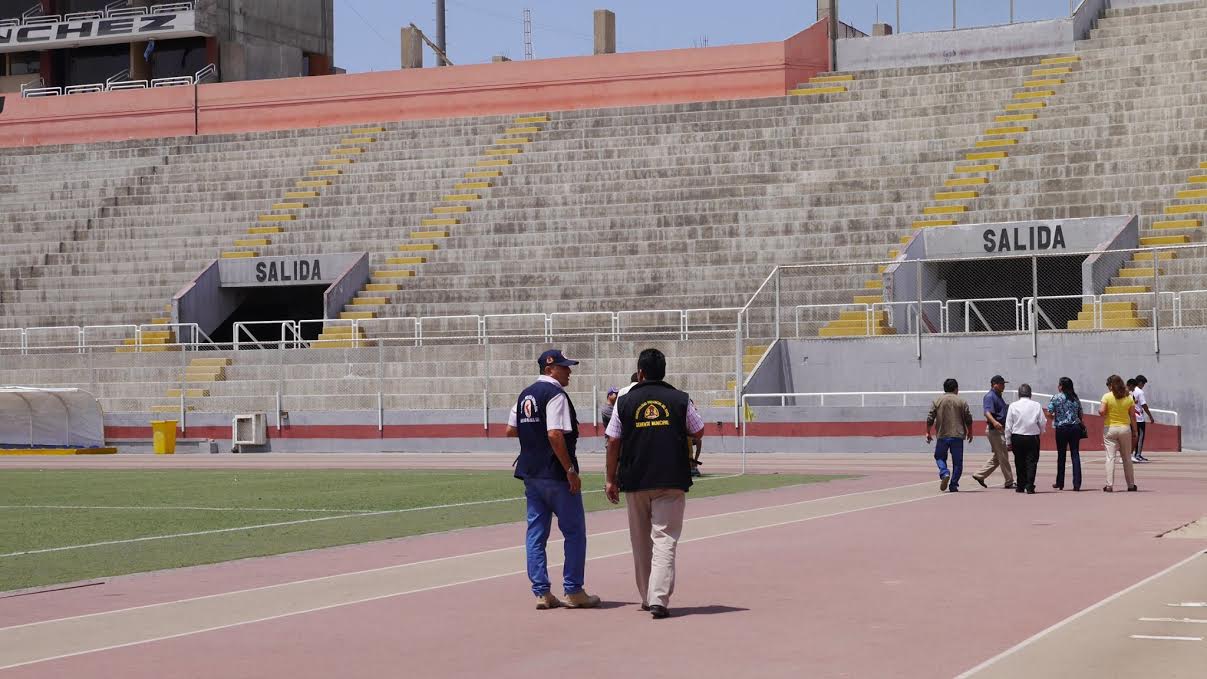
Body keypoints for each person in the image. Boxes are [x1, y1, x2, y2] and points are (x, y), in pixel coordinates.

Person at [605, 348, 704, 620]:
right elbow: (698, 429)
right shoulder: (680, 399)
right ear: (663, 372)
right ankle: (658, 598)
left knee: (640, 541)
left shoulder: (624, 401)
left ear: (640, 372)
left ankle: (647, 597)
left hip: (635, 479)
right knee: (665, 539)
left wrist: (610, 478)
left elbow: (613, 440)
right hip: (671, 478)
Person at [506, 349, 601, 610]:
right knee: (574, 532)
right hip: (556, 474)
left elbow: (510, 429)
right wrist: (570, 470)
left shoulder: (525, 394)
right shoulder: (556, 394)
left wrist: (532, 441)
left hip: (531, 473)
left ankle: (542, 592)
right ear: (550, 369)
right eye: (564, 367)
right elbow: (555, 434)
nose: (569, 371)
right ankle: (573, 590)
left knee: (536, 534)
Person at [925, 378, 974, 493]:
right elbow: (968, 418)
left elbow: (930, 418)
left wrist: (927, 431)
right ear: (956, 389)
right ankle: (953, 484)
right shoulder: (961, 401)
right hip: (957, 435)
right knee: (958, 463)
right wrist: (970, 431)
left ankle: (944, 472)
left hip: (942, 435)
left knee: (939, 457)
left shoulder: (937, 400)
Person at [972, 375, 1015, 489]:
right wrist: (995, 422)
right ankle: (1009, 481)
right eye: (1001, 384)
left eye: (1004, 384)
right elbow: (987, 412)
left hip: (999, 429)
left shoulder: (998, 396)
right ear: (994, 384)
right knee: (1003, 455)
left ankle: (979, 475)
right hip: (995, 430)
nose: (1003, 386)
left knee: (998, 456)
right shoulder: (990, 396)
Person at [1004, 383, 1046, 494]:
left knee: (1019, 461)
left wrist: (1008, 440)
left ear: (1019, 394)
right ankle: (1030, 485)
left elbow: (1008, 425)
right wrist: (1040, 432)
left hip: (1017, 436)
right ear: (1030, 394)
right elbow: (1042, 421)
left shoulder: (1013, 405)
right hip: (1032, 437)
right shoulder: (1036, 405)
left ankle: (1020, 486)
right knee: (1032, 462)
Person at [1101, 374, 1138, 493]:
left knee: (1110, 457)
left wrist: (1103, 411)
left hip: (1110, 429)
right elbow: (1133, 415)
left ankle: (1109, 485)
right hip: (1125, 429)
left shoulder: (1107, 396)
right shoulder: (1128, 397)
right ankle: (1131, 485)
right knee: (1127, 457)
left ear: (1111, 385)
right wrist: (1135, 431)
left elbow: (1101, 411)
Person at [1047, 377, 1084, 491]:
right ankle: (1076, 483)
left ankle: (1060, 482)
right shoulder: (1075, 397)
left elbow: (1049, 413)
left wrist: (1055, 417)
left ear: (1061, 386)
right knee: (1075, 454)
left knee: (1061, 455)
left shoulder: (1056, 397)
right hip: (1075, 428)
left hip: (1061, 428)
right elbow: (1080, 414)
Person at [1131, 375, 1154, 463]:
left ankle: (1131, 455)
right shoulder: (1140, 392)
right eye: (1143, 384)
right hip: (1139, 418)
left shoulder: (1130, 391)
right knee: (1140, 436)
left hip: (1131, 417)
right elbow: (1144, 405)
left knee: (1133, 437)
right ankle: (1137, 455)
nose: (1143, 386)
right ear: (1140, 383)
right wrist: (1150, 416)